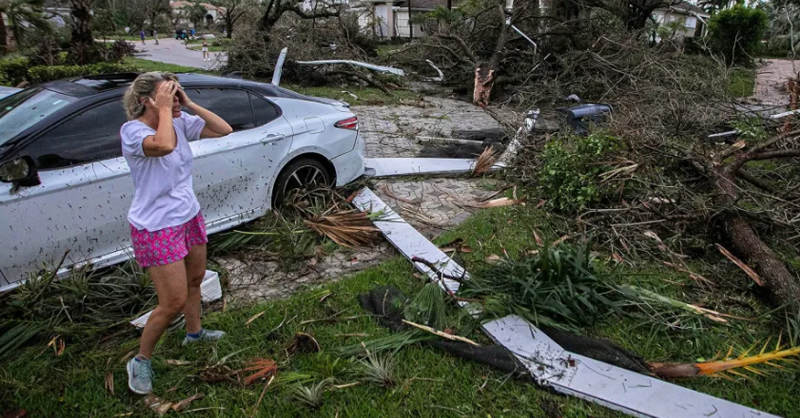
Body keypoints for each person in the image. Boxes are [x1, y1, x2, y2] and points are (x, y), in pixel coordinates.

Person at [121, 72, 233, 395]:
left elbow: (223, 129)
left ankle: (194, 333)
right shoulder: (133, 131)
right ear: (147, 101)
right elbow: (164, 145)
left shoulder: (180, 122)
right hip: (156, 226)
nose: (173, 97)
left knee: (196, 280)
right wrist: (167, 111)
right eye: (166, 93)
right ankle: (140, 361)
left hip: (188, 215)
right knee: (172, 301)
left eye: (174, 91)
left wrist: (188, 103)